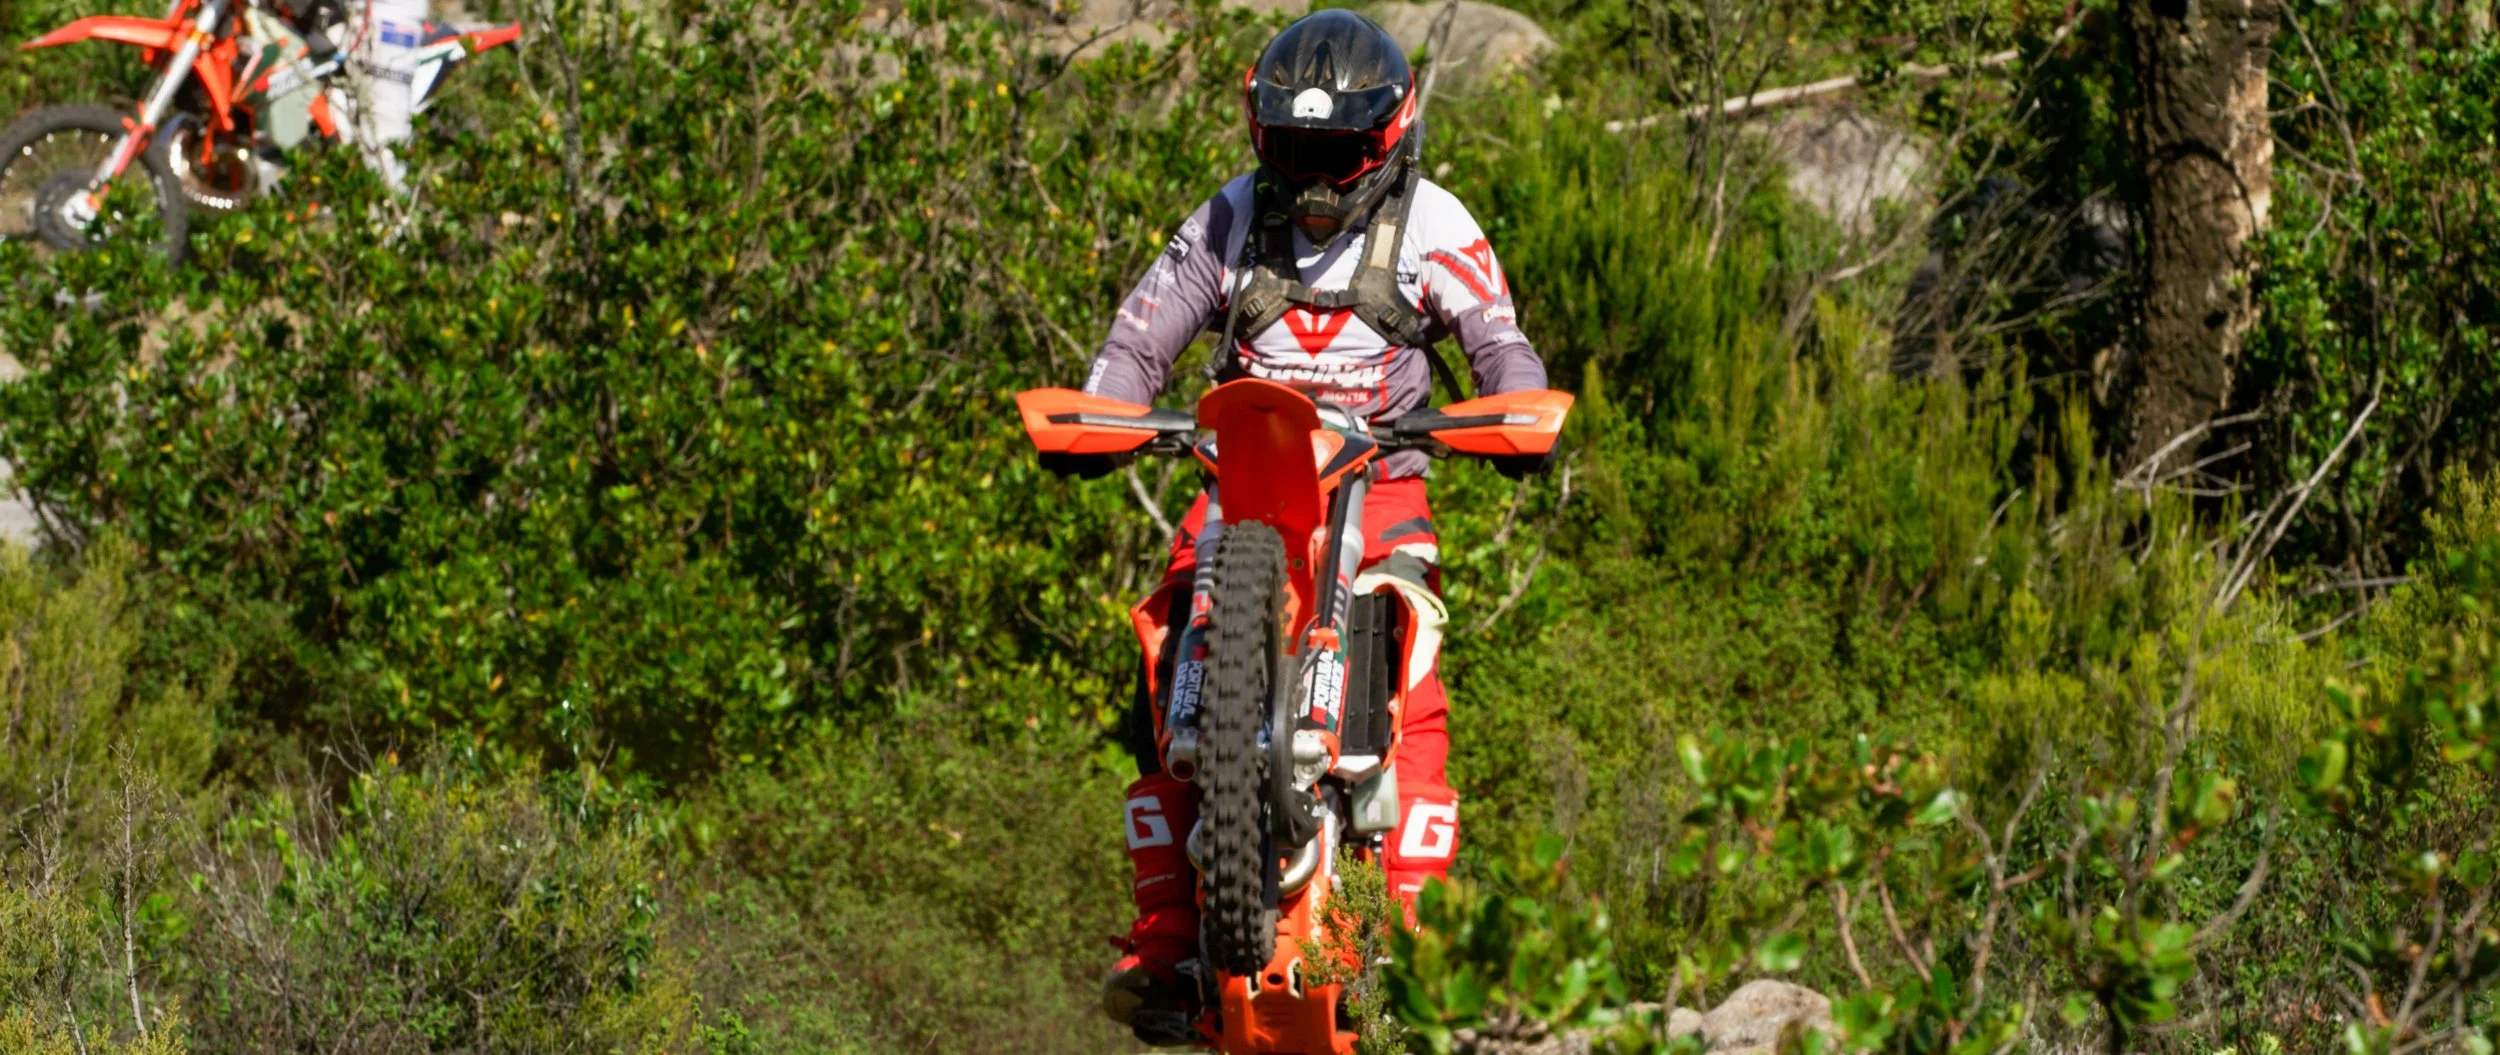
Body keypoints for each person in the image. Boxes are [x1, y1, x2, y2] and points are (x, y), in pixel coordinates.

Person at [1049, 9, 1552, 1044]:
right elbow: (1138, 337)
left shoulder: (1435, 227)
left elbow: (1501, 345)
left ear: (1391, 134)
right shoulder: (1228, 219)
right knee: (1156, 652)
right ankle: (1165, 935)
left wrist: (1509, 407)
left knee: (1409, 668)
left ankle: (1407, 929)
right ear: (1261, 136)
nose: (1317, 181)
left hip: (1383, 476)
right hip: (1241, 473)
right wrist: (1100, 411)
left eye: (1339, 155)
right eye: (1296, 153)